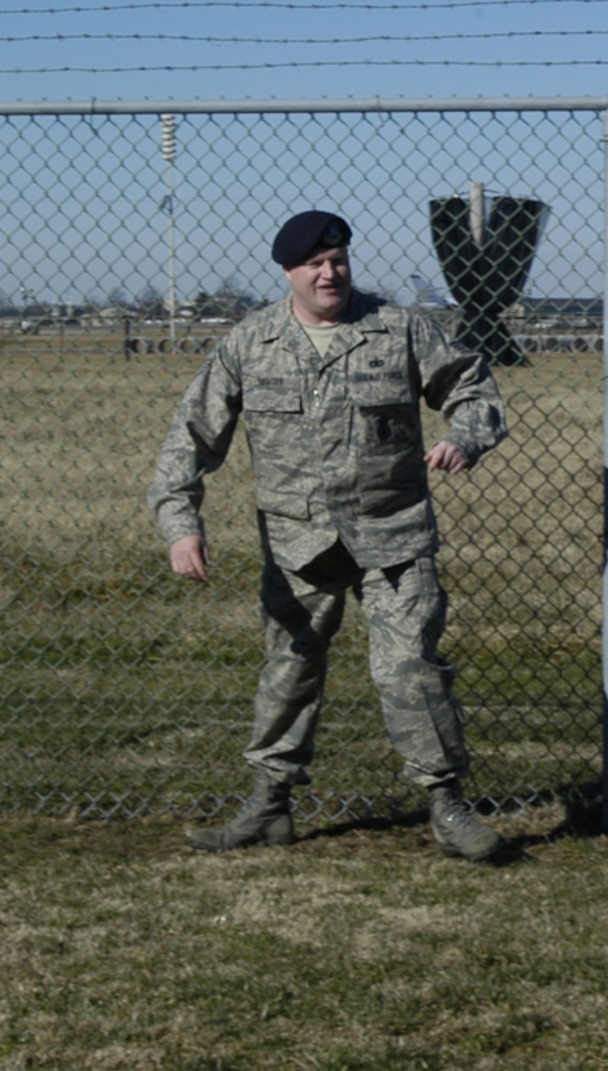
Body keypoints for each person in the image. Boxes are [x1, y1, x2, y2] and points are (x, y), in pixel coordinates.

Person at [148, 210, 510, 861]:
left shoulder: (397, 329)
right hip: (298, 546)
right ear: (288, 272)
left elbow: (471, 387)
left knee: (410, 672)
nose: (329, 272)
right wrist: (181, 525)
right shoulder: (250, 342)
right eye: (314, 264)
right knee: (288, 672)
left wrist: (464, 436)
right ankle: (269, 805)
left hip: (393, 536)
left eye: (338, 260)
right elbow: (192, 437)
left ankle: (447, 806)